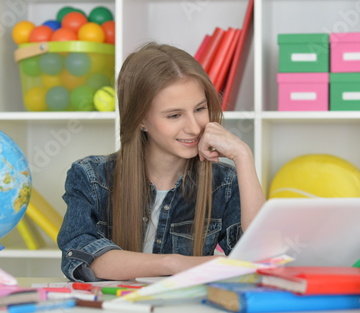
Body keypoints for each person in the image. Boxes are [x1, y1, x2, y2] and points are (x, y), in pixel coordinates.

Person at [57, 42, 265, 282]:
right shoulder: (91, 177)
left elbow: (258, 256)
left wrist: (243, 155)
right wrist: (175, 263)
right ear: (141, 120)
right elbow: (82, 257)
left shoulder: (224, 183)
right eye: (174, 115)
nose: (194, 127)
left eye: (199, 109)